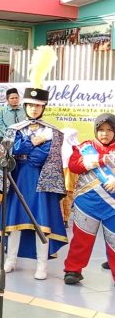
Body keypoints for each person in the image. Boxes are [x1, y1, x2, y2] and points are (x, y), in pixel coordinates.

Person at [0, 87, 67, 280]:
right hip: (18, 178)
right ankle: (11, 259)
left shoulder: (53, 131)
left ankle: (41, 266)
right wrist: (35, 142)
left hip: (41, 182)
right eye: (31, 105)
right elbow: (12, 149)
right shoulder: (14, 129)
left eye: (38, 106)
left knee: (41, 222)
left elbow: (42, 157)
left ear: (44, 108)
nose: (34, 109)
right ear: (25, 106)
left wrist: (27, 147)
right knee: (14, 221)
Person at [63, 113, 115, 285]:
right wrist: (100, 159)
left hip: (113, 206)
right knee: (81, 240)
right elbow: (74, 166)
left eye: (109, 130)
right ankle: (73, 269)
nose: (105, 134)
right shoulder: (86, 146)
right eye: (101, 130)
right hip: (87, 203)